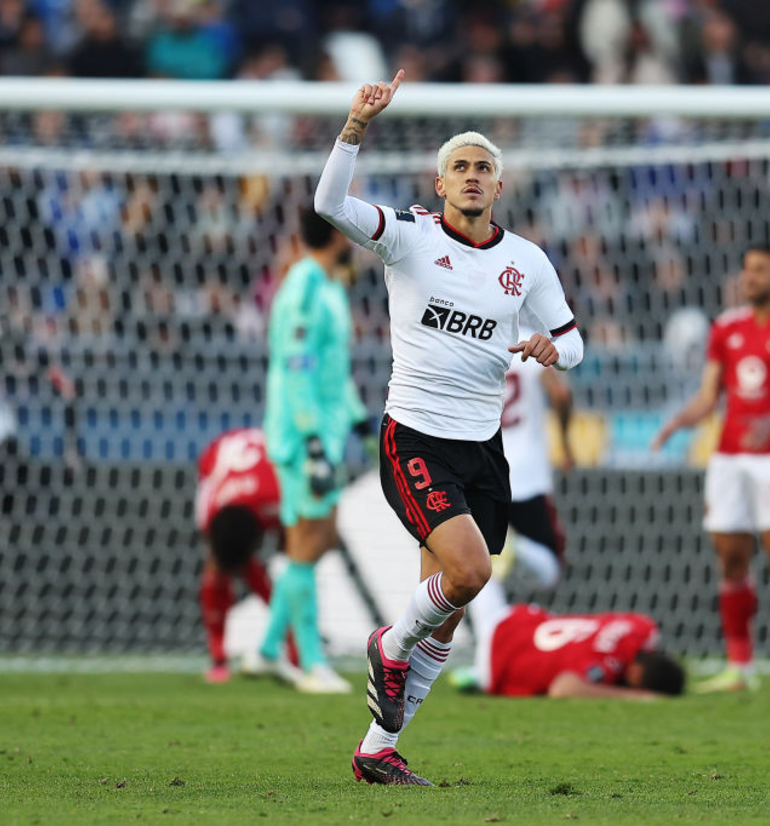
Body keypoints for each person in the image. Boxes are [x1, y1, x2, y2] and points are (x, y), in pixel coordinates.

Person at [314, 70, 586, 786]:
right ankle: (388, 644)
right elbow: (328, 203)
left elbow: (574, 342)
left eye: (483, 168)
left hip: (482, 446)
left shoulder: (526, 261)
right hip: (415, 436)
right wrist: (356, 125)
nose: (471, 175)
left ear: (499, 185)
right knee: (469, 573)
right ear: (440, 184)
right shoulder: (407, 238)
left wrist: (554, 350)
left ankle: (377, 749)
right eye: (459, 167)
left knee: (451, 612)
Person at [652, 244, 770, 696]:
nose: (750, 277)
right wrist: (677, 422)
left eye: (760, 270)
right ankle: (740, 665)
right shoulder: (726, 326)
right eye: (747, 269)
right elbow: (709, 397)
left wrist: (769, 422)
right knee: (730, 556)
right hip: (729, 455)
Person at [253, 209, 367, 695]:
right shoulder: (302, 287)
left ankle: (267, 649)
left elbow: (333, 368)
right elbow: (296, 367)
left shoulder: (330, 285)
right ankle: (312, 662)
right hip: (303, 436)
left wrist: (359, 420)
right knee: (308, 539)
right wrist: (313, 440)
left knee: (316, 537)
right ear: (337, 236)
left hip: (327, 430)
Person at [466, 576, 684, 700]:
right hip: (497, 664)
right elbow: (563, 688)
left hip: (515, 620)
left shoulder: (641, 627)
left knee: (474, 572)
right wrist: (634, 697)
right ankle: (469, 674)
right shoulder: (607, 667)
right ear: (637, 677)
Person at [195, 427, 292, 685]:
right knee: (219, 568)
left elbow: (289, 543)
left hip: (270, 468)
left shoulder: (277, 496)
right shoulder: (210, 507)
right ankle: (218, 657)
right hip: (223, 459)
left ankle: (294, 653)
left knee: (291, 570)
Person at [499, 323, 574, 590]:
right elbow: (561, 395)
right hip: (527, 475)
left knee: (484, 574)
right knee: (551, 565)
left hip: (486, 470)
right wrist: (565, 443)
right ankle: (511, 548)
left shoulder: (477, 338)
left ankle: (501, 548)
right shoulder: (529, 341)